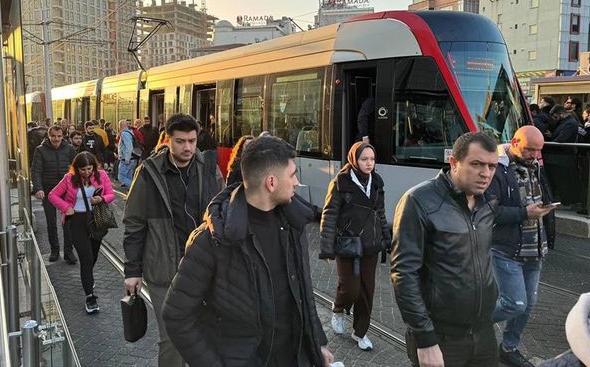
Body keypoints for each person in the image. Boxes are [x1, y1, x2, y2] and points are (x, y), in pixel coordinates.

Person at [162, 136, 334, 367]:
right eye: (293, 175)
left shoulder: (294, 224)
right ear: (271, 182)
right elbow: (176, 314)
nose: (297, 183)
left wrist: (316, 344)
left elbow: (303, 292)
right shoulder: (213, 239)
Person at [123, 113, 224, 367]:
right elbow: (134, 222)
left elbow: (224, 212)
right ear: (168, 140)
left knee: (205, 333)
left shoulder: (209, 168)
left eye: (192, 140)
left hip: (203, 268)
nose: (188, 147)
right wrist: (132, 270)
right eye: (180, 141)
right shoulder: (148, 173)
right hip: (163, 270)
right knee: (172, 338)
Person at [390, 132, 500, 367]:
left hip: (483, 332)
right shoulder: (419, 201)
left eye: (492, 166)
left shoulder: (488, 202)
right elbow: (404, 273)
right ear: (454, 163)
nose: (486, 173)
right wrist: (425, 339)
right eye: (477, 164)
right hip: (441, 338)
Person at [485, 126, 554, 367]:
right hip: (507, 249)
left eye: (538, 150)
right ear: (514, 142)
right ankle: (471, 322)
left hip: (534, 248)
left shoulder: (535, 165)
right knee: (515, 302)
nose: (534, 155)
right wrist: (525, 213)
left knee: (528, 304)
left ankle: (509, 347)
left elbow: (542, 196)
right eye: (530, 149)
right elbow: (490, 211)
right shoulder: (496, 168)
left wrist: (546, 209)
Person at [318, 141, 390, 351]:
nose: (369, 163)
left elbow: (381, 214)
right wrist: (326, 247)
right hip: (347, 244)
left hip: (370, 246)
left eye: (372, 159)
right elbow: (329, 215)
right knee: (350, 289)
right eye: (364, 159)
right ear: (354, 159)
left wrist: (386, 240)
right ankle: (338, 308)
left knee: (366, 292)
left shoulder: (376, 181)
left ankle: (360, 333)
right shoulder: (341, 182)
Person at [48, 151, 114, 313]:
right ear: (76, 169)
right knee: (86, 258)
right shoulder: (69, 179)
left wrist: (102, 199)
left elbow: (111, 194)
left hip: (96, 220)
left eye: (89, 169)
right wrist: (66, 207)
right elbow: (52, 195)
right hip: (76, 221)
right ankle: (90, 296)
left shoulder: (102, 176)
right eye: (82, 169)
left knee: (93, 256)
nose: (86, 172)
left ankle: (87, 278)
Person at [31, 126, 77, 263]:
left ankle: (69, 252)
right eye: (53, 136)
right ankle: (54, 250)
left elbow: (76, 167)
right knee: (51, 222)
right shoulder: (40, 150)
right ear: (49, 136)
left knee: (68, 222)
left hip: (66, 190)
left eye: (59, 136)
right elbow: (36, 170)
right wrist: (38, 188)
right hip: (49, 190)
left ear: (63, 136)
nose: (56, 139)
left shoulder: (69, 149)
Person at [545, 105, 581, 207]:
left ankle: (567, 201)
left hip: (562, 156)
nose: (554, 119)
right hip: (558, 156)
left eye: (556, 117)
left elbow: (561, 139)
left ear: (561, 114)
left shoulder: (570, 123)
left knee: (563, 181)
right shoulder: (564, 122)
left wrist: (552, 140)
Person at [117, 119, 138, 188]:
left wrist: (126, 159)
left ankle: (134, 188)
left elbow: (128, 147)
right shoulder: (130, 133)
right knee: (129, 176)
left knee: (121, 176)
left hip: (128, 159)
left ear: (120, 126)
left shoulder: (124, 134)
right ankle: (131, 194)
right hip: (133, 158)